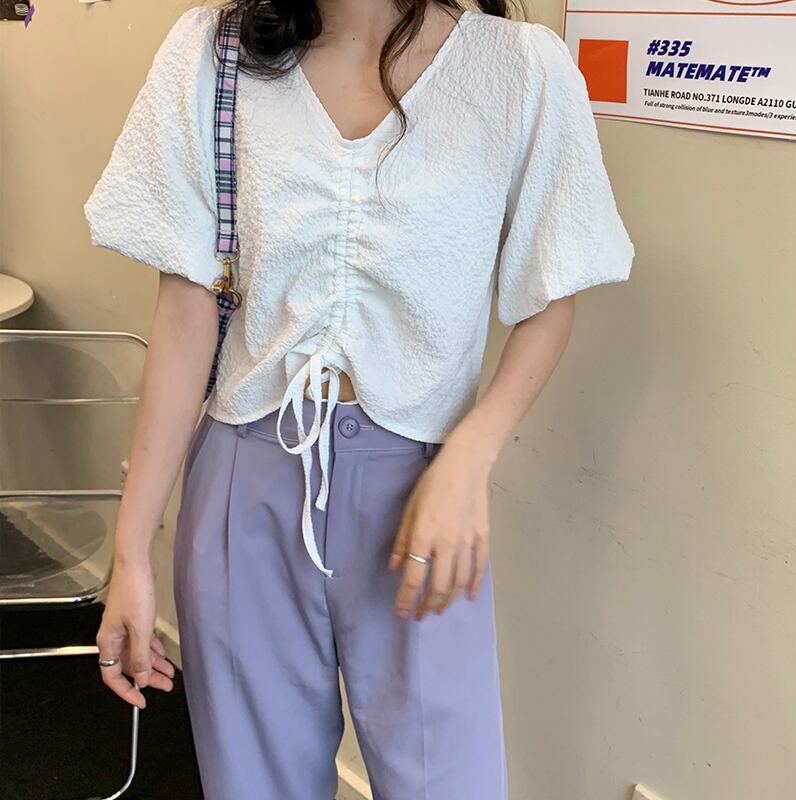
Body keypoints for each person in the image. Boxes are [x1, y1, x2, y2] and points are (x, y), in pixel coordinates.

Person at [83, 1, 635, 798]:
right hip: (245, 481)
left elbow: (551, 297)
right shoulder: (212, 55)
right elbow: (186, 307)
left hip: (421, 497)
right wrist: (132, 550)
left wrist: (470, 455)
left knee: (450, 784)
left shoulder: (519, 69)